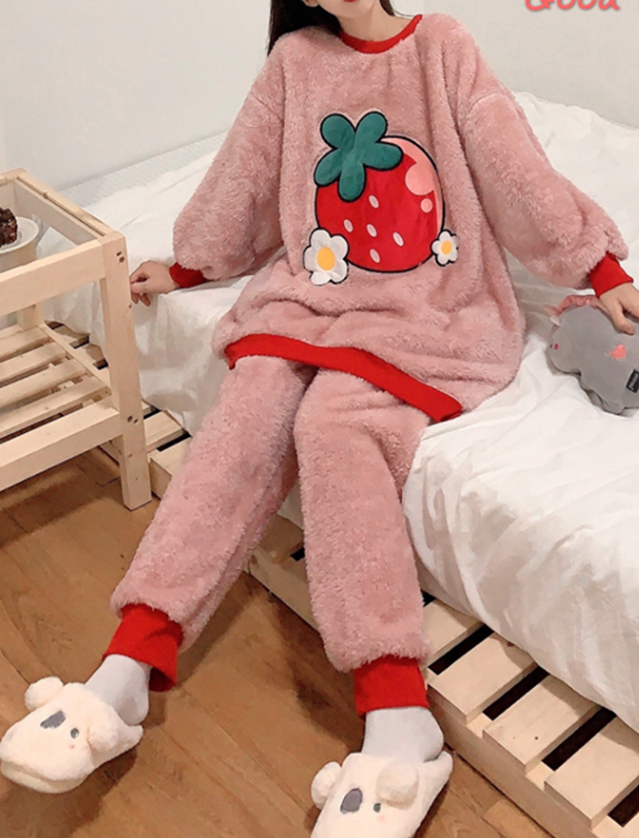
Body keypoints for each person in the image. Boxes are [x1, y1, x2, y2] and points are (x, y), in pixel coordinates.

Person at [1, 1, 637, 835]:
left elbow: (510, 165)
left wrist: (595, 266)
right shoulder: (296, 61)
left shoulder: (441, 46)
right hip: (313, 294)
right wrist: (192, 263)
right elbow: (246, 172)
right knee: (248, 409)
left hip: (430, 307)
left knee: (336, 426)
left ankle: (399, 720)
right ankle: (126, 667)